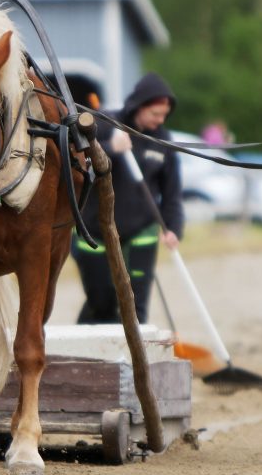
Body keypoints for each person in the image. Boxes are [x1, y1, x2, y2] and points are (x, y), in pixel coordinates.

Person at [72, 73, 184, 324]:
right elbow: (79, 166)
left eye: (164, 115)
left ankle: (137, 358)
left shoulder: (163, 140)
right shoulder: (105, 124)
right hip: (95, 229)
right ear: (139, 106)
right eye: (155, 113)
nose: (160, 120)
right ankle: (93, 346)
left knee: (135, 303)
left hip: (141, 230)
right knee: (102, 301)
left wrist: (174, 228)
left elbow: (172, 192)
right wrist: (110, 149)